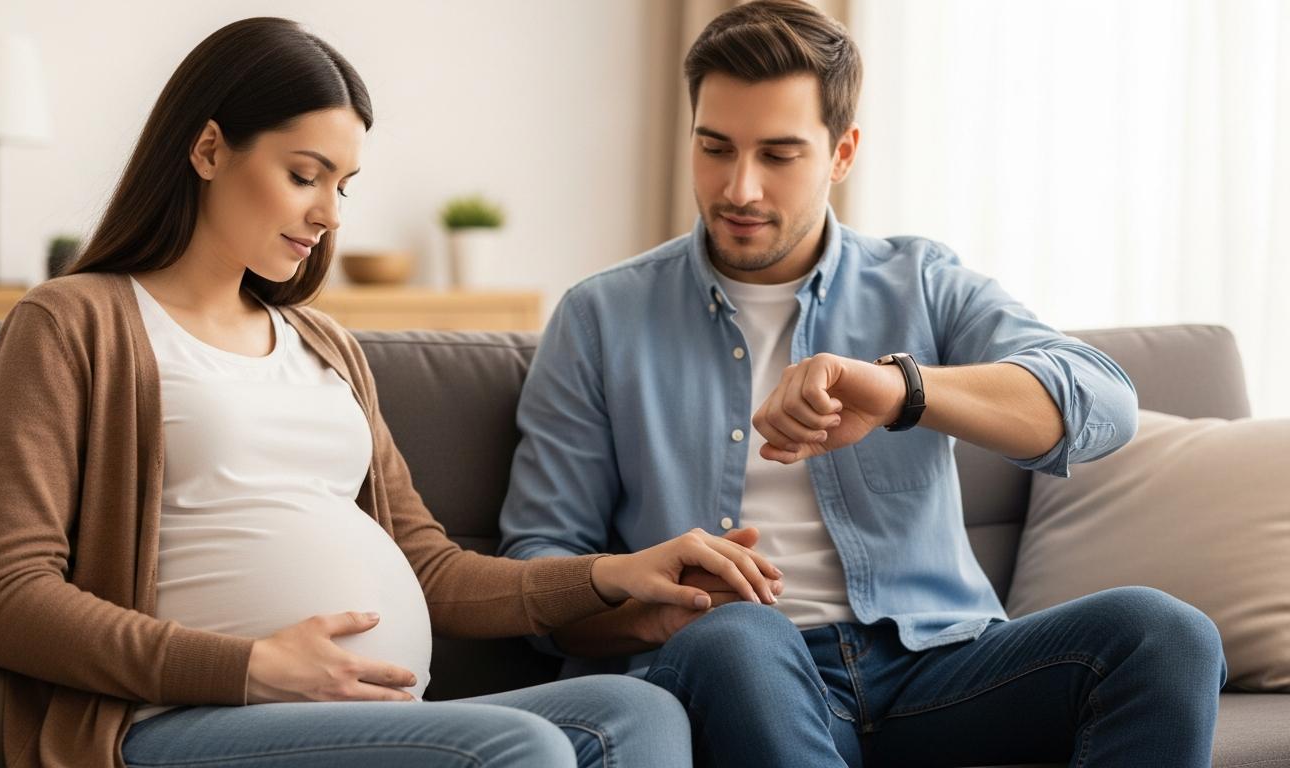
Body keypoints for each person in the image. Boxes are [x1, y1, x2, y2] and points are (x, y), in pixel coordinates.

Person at [0, 17, 784, 768]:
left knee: (636, 713)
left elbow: (435, 569)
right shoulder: (75, 322)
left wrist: (617, 575)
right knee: (521, 749)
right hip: (174, 721)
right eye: (304, 175)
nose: (329, 216)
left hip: (367, 720)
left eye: (342, 185)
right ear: (208, 150)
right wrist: (249, 668)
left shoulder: (326, 346)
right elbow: (5, 597)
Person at [499, 2, 1227, 766]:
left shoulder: (921, 281)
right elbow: (533, 579)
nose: (739, 187)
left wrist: (900, 393)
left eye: (779, 155)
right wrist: (655, 605)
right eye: (715, 148)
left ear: (842, 153)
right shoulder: (600, 316)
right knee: (743, 634)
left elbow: (1103, 402)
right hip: (735, 667)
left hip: (939, 664)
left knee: (1168, 634)